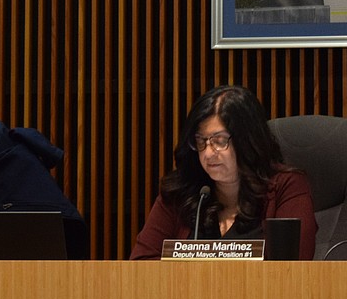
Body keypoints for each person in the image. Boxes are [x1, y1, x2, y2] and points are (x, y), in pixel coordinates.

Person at [130, 85, 317, 260]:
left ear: (248, 141)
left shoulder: (287, 187)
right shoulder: (180, 193)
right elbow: (141, 265)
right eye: (201, 141)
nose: (208, 153)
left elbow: (291, 271)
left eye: (219, 141)